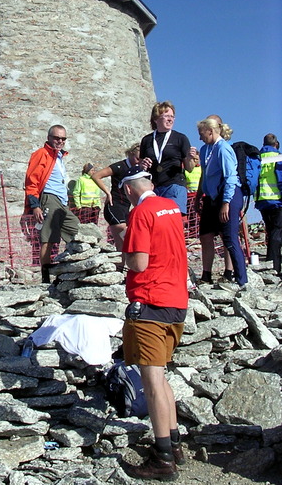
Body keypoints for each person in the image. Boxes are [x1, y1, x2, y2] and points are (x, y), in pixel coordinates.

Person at [119, 165, 188, 481]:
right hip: (176, 300)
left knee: (151, 381)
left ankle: (162, 459)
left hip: (149, 301)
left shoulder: (140, 213)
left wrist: (123, 251)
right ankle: (174, 444)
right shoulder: (170, 206)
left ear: (128, 189)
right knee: (162, 378)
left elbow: (139, 261)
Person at [195, 117, 247, 289]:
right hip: (211, 197)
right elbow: (204, 174)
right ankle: (207, 275)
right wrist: (198, 196)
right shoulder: (204, 150)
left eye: (201, 134)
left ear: (210, 132)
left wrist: (226, 203)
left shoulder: (224, 149)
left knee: (230, 237)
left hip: (229, 196)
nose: (200, 137)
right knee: (205, 234)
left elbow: (231, 177)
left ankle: (241, 279)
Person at [24, 125, 79, 283]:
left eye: (63, 139)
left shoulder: (59, 157)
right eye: (57, 138)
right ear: (49, 138)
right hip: (49, 198)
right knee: (47, 238)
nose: (60, 141)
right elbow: (31, 181)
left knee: (76, 228)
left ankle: (75, 270)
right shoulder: (41, 154)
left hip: (62, 202)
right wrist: (35, 205)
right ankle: (46, 278)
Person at [140, 101, 197, 215]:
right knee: (157, 223)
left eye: (172, 116)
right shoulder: (147, 140)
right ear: (156, 119)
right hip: (154, 187)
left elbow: (189, 168)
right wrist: (143, 165)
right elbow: (141, 165)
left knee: (173, 220)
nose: (170, 119)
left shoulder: (180, 138)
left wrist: (190, 158)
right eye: (166, 116)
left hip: (174, 185)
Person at [90, 144, 140, 251]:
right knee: (123, 235)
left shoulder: (138, 169)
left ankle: (123, 265)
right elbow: (96, 176)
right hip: (114, 206)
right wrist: (107, 192)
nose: (138, 162)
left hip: (126, 208)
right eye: (137, 158)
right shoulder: (120, 166)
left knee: (127, 241)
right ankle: (120, 265)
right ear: (131, 154)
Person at [255, 133, 282, 277]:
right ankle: (274, 265)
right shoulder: (278, 156)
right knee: (277, 232)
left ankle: (271, 263)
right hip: (276, 199)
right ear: (276, 144)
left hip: (261, 200)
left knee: (271, 230)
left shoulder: (258, 157)